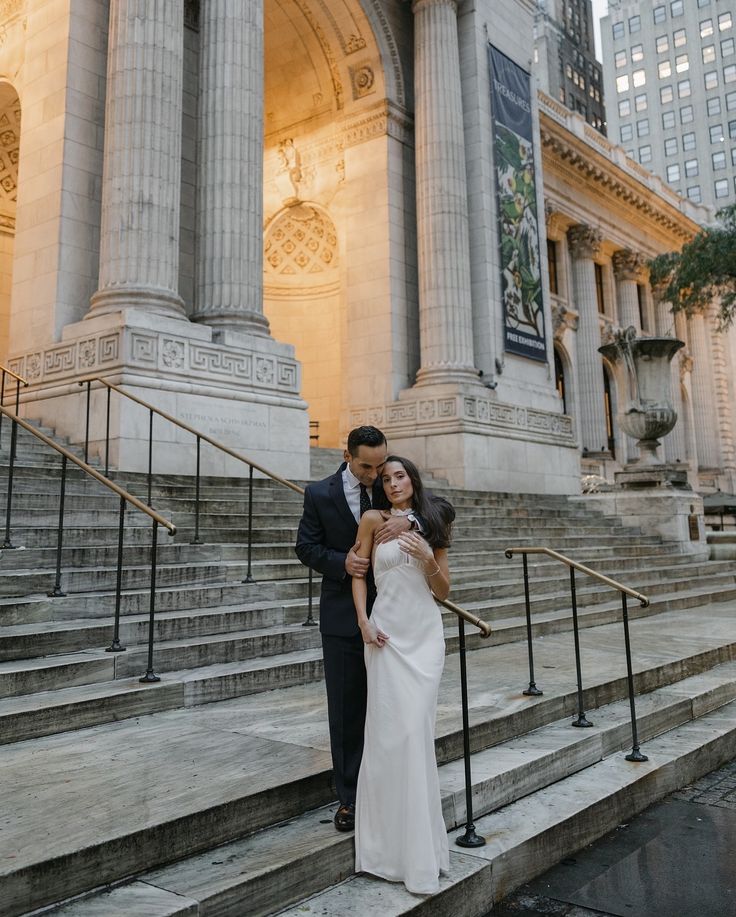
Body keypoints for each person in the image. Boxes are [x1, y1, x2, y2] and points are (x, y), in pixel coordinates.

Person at [295, 427, 417, 832]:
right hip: (342, 617)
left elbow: (439, 508)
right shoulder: (318, 494)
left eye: (381, 463)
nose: (375, 473)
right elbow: (305, 547)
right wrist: (340, 563)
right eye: (367, 465)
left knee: (388, 708)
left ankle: (387, 790)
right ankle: (349, 799)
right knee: (347, 712)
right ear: (347, 455)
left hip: (393, 617)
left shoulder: (387, 482)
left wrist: (409, 522)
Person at [352, 455, 454, 895]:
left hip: (425, 636)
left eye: (400, 476)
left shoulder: (431, 521)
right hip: (386, 636)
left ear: (413, 479)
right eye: (387, 477)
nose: (393, 483)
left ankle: (422, 854)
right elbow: (358, 573)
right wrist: (363, 622)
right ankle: (385, 852)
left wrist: (429, 555)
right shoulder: (373, 520)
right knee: (389, 737)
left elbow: (444, 589)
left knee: (416, 735)